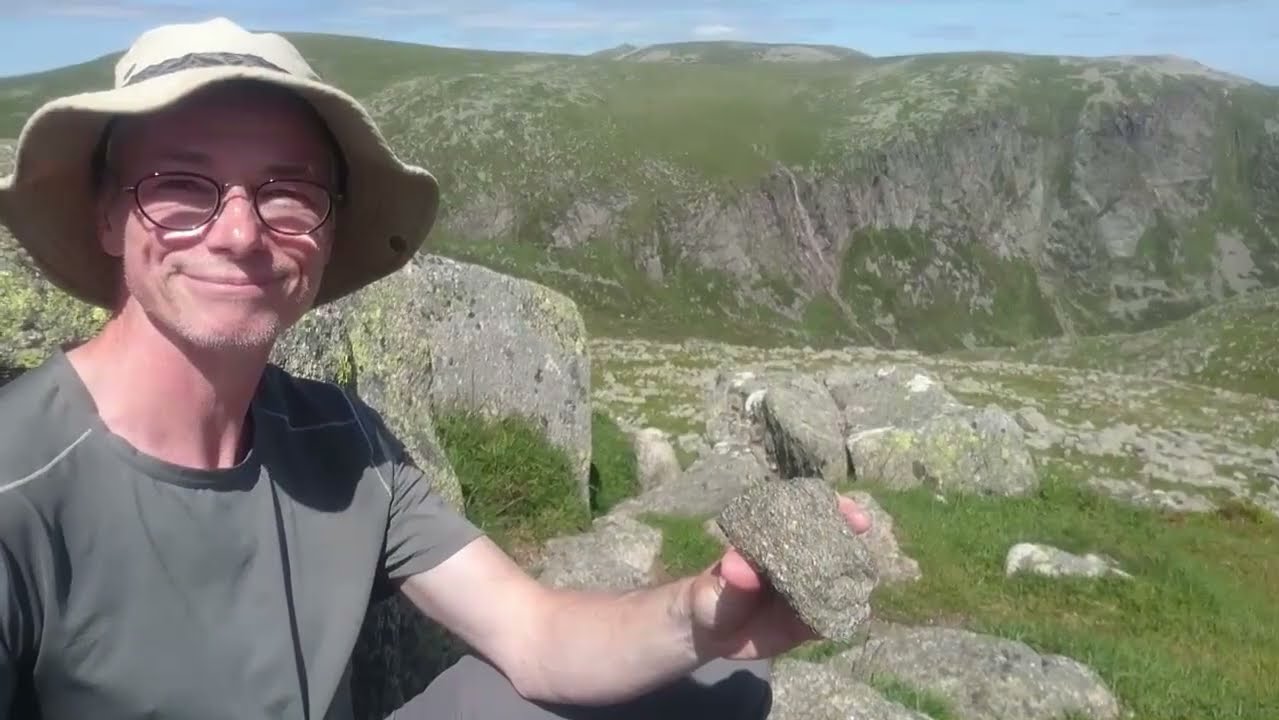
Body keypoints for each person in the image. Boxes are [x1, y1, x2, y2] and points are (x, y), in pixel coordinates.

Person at [0, 17, 873, 720]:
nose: (239, 232)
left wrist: (703, 614)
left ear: (330, 232)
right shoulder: (18, 493)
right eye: (181, 185)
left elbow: (532, 633)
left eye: (286, 191)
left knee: (713, 686)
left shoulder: (343, 440)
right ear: (111, 218)